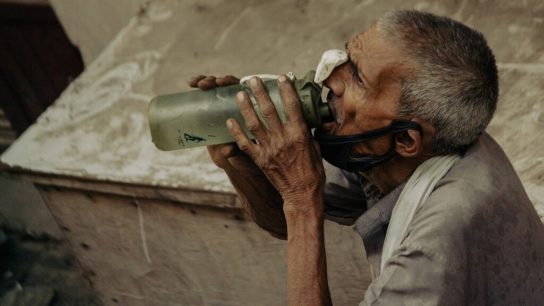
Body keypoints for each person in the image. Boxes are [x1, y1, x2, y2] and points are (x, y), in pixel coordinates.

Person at [189, 10, 544, 305]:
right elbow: (282, 221)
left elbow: (298, 207)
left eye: (357, 77)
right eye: (346, 58)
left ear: (406, 138)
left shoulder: (437, 238)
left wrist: (301, 198)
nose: (331, 79)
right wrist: (238, 159)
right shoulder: (404, 151)